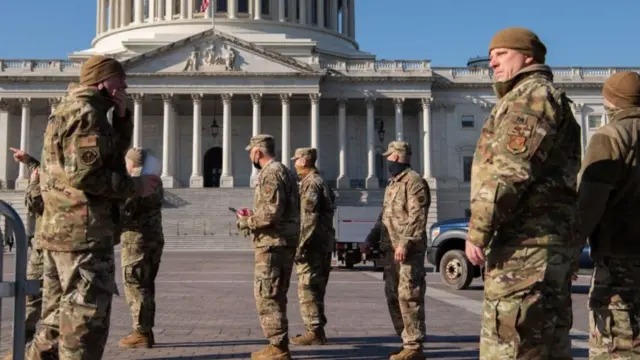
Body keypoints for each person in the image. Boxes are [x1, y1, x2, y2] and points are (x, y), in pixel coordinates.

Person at [5, 55, 160, 360]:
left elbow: (99, 160)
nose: (126, 84)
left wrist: (122, 118)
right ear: (103, 80)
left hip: (58, 233)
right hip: (83, 235)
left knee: (51, 325)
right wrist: (135, 187)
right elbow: (87, 175)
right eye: (120, 78)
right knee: (84, 327)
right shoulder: (88, 113)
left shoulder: (67, 109)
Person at [464, 27, 582, 359]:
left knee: (512, 348)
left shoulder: (530, 97)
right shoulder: (536, 96)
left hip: (525, 247)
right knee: (546, 346)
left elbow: (510, 172)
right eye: (490, 57)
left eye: (501, 54)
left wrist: (478, 230)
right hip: (542, 247)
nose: (492, 63)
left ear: (527, 56)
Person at [576, 71, 640, 358]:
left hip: (620, 258)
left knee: (617, 346)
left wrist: (569, 249)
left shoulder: (610, 136)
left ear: (609, 102)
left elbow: (589, 203)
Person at [364, 141, 430, 360]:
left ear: (395, 157)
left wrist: (406, 243)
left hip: (408, 252)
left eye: (389, 157)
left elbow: (417, 217)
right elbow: (385, 216)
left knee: (409, 296)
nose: (387, 161)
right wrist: (371, 238)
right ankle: (405, 341)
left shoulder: (414, 182)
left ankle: (414, 346)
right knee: (393, 296)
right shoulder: (393, 184)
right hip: (390, 250)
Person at [236, 134, 300, 360]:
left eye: (250, 153)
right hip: (283, 242)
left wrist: (246, 221)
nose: (249, 157)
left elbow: (271, 213)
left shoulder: (271, 173)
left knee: (267, 295)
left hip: (272, 244)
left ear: (257, 152)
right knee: (277, 293)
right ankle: (279, 343)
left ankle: (278, 347)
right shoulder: (286, 171)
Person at [118, 148, 165, 349]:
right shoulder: (155, 181)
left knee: (135, 284)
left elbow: (126, 211)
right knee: (146, 285)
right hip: (154, 239)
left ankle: (141, 332)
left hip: (136, 241)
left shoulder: (136, 184)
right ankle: (146, 329)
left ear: (133, 164)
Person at [289, 147, 335, 346]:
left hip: (313, 245)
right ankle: (317, 330)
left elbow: (309, 219)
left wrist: (300, 245)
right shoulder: (319, 181)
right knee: (316, 288)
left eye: (296, 159)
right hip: (321, 243)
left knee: (307, 288)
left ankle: (314, 331)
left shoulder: (311, 184)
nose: (294, 163)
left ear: (304, 161)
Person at [9, 147, 49, 344]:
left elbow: (35, 203)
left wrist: (33, 183)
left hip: (48, 244)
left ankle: (22, 345)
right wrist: (29, 160)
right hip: (67, 244)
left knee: (33, 294)